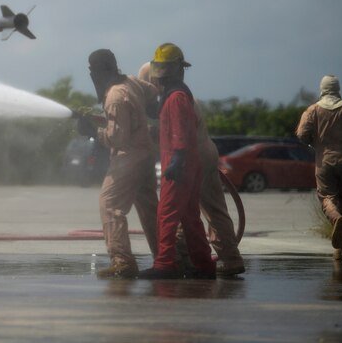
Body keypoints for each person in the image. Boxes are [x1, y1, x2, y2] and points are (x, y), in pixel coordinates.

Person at [138, 62, 245, 277]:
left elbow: (177, 132)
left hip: (190, 156)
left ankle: (177, 261)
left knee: (176, 210)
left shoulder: (174, 98)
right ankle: (229, 259)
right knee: (208, 209)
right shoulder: (180, 96)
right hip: (203, 152)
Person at [77, 49, 159, 279]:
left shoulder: (114, 96)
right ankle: (169, 256)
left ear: (100, 70)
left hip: (129, 156)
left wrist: (94, 131)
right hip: (146, 154)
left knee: (110, 203)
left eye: (92, 70)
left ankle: (122, 262)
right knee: (150, 208)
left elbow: (117, 138)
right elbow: (152, 92)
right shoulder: (131, 82)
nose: (92, 75)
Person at [138, 43, 216, 279]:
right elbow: (172, 128)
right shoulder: (175, 94)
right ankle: (204, 265)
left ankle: (165, 264)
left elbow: (181, 132)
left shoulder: (176, 97)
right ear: (180, 69)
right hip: (186, 162)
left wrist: (177, 159)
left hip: (180, 164)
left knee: (166, 214)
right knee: (190, 217)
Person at [296, 75, 342, 260]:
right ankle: (339, 251)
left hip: (324, 162)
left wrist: (313, 143)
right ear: (338, 89)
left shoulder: (313, 110)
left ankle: (335, 218)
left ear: (322, 89)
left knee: (326, 197)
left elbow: (301, 134)